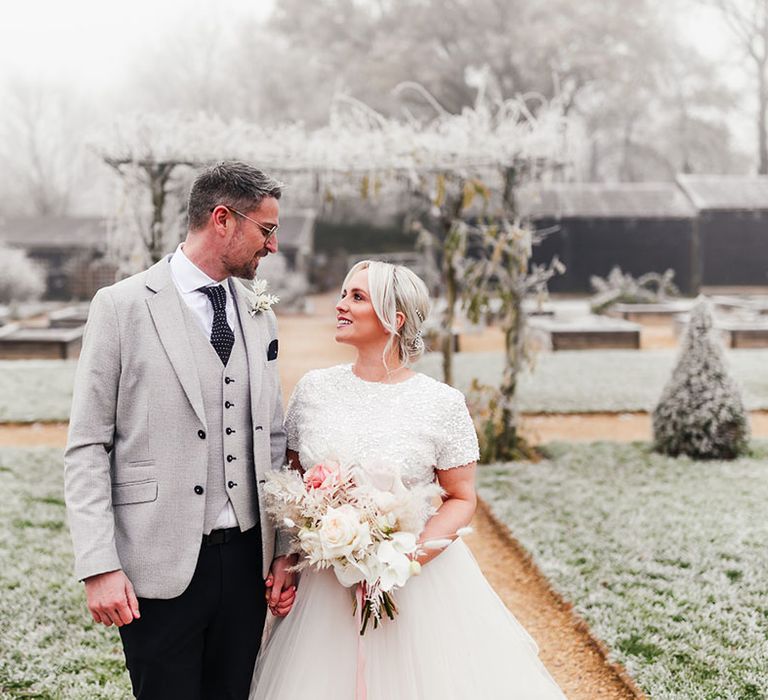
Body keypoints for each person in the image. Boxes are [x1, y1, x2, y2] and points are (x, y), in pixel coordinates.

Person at [250, 260, 566, 699]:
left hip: (411, 587)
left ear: (394, 319)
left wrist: (397, 564)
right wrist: (287, 559)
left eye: (356, 297)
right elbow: (294, 483)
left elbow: (461, 497)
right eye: (344, 294)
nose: (340, 305)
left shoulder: (441, 403)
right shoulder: (313, 390)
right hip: (323, 591)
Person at [64, 161, 296, 700]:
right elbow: (87, 445)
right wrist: (98, 566)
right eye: (266, 230)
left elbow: (274, 440)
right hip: (157, 563)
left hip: (245, 563)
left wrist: (283, 546)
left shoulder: (260, 313)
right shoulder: (120, 306)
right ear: (222, 219)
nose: (273, 246)